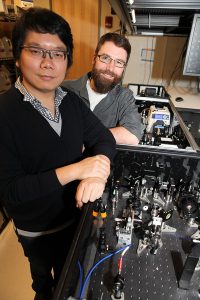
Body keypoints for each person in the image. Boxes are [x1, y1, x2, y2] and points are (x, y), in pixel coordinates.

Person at [0, 7, 116, 300]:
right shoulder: (4, 113)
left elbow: (103, 138)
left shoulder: (71, 102)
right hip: (37, 232)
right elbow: (12, 191)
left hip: (75, 220)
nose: (48, 63)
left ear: (68, 60)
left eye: (58, 53)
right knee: (44, 286)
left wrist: (98, 171)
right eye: (37, 50)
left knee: (72, 281)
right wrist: (78, 171)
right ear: (17, 56)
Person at [62, 32, 142, 145]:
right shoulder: (64, 89)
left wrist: (86, 137)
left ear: (123, 68)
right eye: (105, 58)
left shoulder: (124, 97)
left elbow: (133, 135)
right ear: (94, 59)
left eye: (119, 62)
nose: (110, 68)